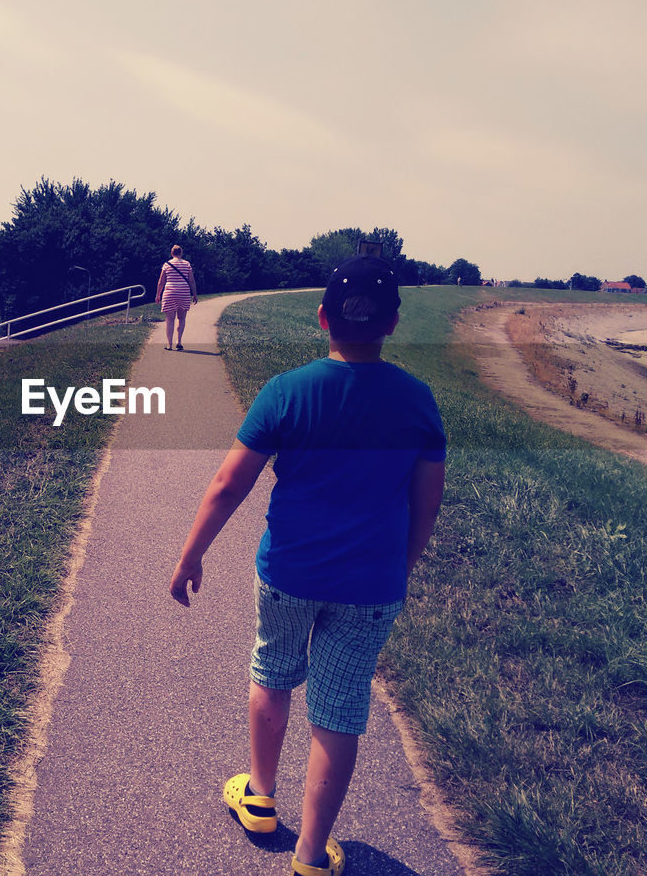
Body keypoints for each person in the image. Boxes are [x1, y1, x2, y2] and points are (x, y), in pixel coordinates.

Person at [169, 256, 447, 876]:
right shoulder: (418, 404)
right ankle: (311, 855)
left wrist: (191, 555)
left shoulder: (287, 392)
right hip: (370, 585)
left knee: (272, 672)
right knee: (340, 708)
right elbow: (426, 504)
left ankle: (261, 800)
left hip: (290, 574)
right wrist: (399, 568)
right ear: (394, 323)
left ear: (321, 318)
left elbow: (226, 484)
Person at [156, 244, 197, 350]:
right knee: (182, 318)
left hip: (170, 293)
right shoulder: (187, 264)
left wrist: (158, 294)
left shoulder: (167, 264)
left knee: (170, 320)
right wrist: (195, 295)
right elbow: (191, 281)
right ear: (181, 253)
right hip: (183, 293)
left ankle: (169, 344)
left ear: (172, 253)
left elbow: (161, 281)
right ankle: (179, 342)